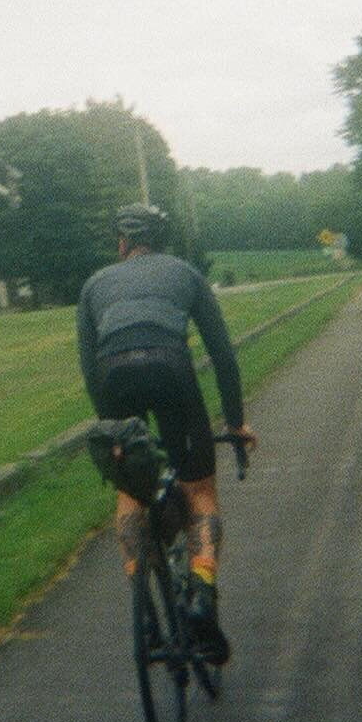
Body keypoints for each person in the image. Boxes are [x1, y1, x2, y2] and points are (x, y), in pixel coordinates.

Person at [76, 203, 258, 664]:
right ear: (162, 242)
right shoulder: (185, 273)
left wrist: (115, 431)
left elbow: (89, 367)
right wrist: (234, 421)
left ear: (122, 244)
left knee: (130, 495)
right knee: (198, 492)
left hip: (114, 376)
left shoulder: (95, 285)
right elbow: (222, 354)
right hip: (171, 368)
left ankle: (144, 613)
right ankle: (201, 591)